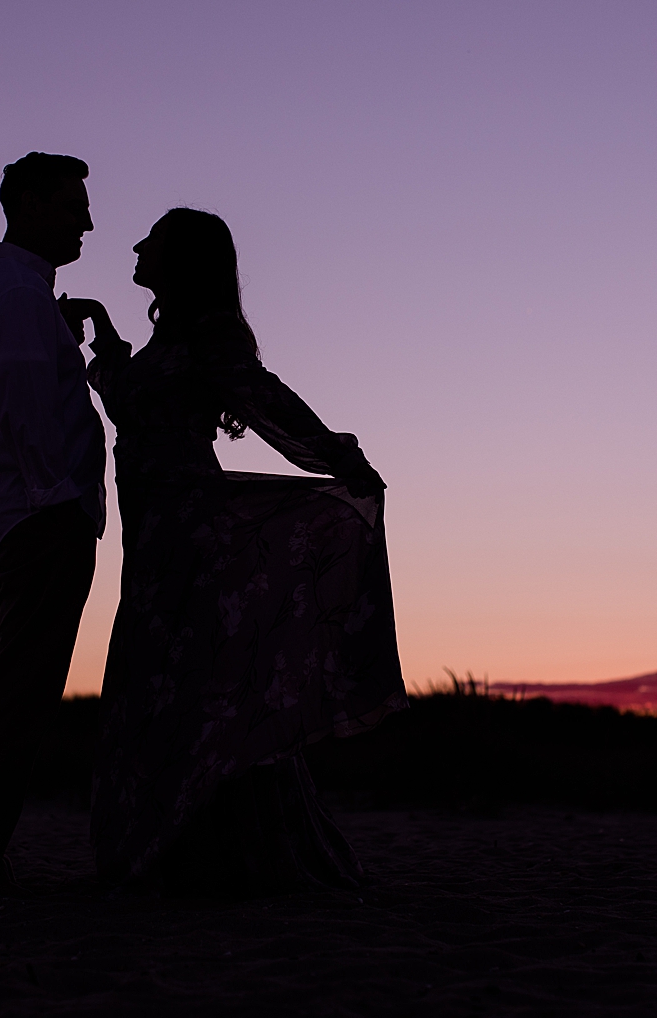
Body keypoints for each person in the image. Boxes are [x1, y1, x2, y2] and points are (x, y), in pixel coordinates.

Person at [61, 208, 407, 894]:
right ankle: (171, 850)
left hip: (193, 532)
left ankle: (215, 855)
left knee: (199, 684)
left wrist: (338, 457)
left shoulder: (212, 334)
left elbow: (266, 399)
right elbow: (134, 405)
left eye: (153, 240)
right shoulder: (170, 340)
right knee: (164, 681)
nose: (136, 245)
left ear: (182, 260)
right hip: (156, 537)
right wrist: (104, 341)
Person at [0, 152, 105, 891]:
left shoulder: (14, 293)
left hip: (27, 519)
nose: (88, 222)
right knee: (19, 694)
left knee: (17, 689)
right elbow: (25, 400)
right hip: (39, 520)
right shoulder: (11, 294)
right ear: (31, 203)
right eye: (74, 206)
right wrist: (59, 500)